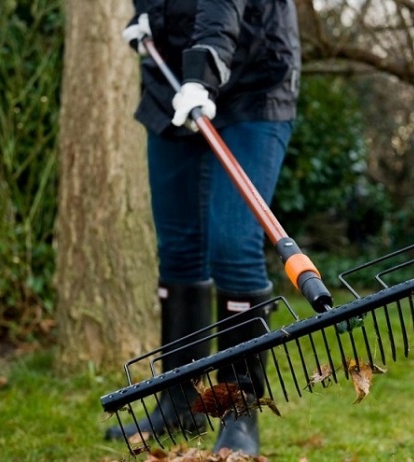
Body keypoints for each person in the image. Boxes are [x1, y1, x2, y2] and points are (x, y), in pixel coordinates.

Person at [104, 0, 301, 456]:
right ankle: (180, 401)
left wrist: (203, 70)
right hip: (172, 83)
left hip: (254, 80)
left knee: (234, 244)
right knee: (178, 249)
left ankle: (238, 415)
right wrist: (146, 14)